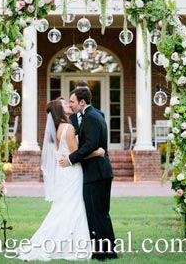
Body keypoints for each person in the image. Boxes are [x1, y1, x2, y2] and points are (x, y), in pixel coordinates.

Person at [16, 100, 104, 261]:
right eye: (65, 104)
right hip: (71, 172)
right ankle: (72, 246)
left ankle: (61, 242)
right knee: (73, 206)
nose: (69, 105)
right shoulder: (68, 128)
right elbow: (76, 155)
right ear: (59, 110)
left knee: (63, 207)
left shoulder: (57, 128)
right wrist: (97, 152)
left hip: (63, 173)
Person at [58, 87, 118, 260]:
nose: (70, 104)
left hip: (96, 173)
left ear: (82, 102)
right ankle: (108, 252)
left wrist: (70, 159)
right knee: (101, 212)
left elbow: (89, 145)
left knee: (96, 213)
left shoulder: (91, 117)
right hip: (100, 172)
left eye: (72, 101)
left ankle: (101, 253)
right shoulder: (93, 115)